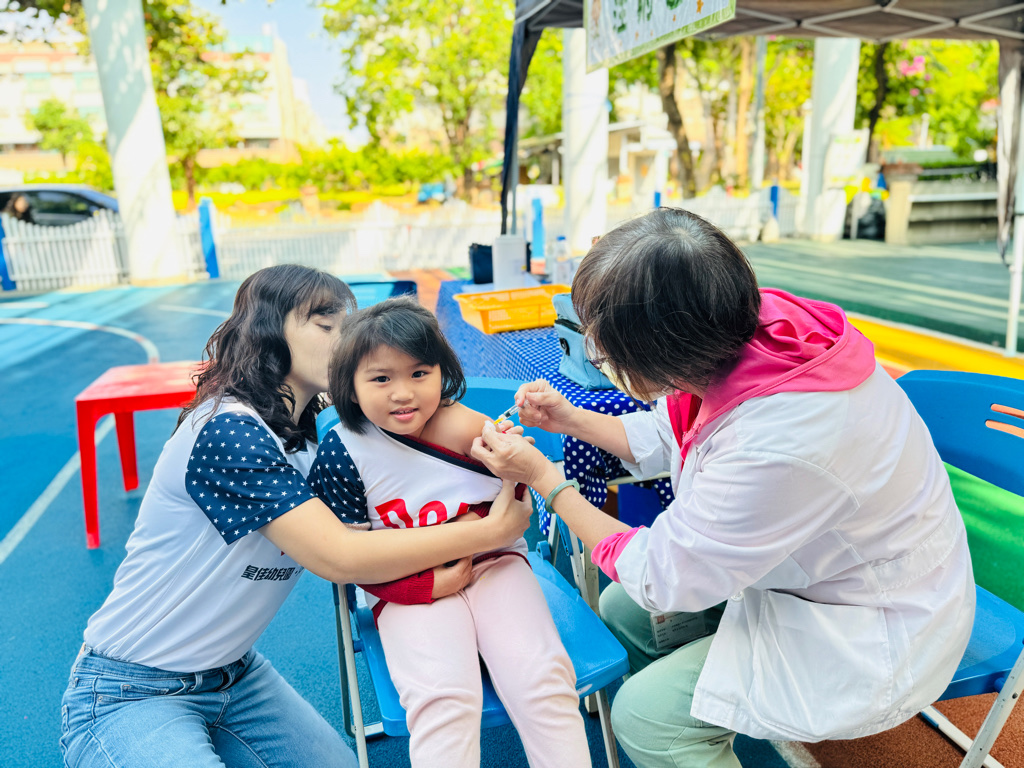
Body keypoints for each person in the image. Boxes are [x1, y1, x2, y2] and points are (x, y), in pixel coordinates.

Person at [469, 207, 975, 768]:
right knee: (620, 606)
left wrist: (546, 480)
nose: (599, 360)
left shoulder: (781, 439)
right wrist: (571, 419)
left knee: (644, 717)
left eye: (606, 352)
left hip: (871, 625)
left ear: (663, 347)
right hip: (809, 571)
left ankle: (676, 734)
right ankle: (697, 720)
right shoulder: (745, 330)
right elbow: (672, 432)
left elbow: (662, 576)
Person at [60, 265, 532, 768]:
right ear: (269, 334)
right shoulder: (228, 429)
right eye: (326, 325)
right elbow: (340, 555)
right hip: (132, 690)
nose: (347, 339)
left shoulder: (312, 440)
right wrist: (491, 531)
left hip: (235, 677)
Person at [308, 296, 591, 768]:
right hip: (404, 586)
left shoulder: (467, 427)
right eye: (381, 379)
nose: (403, 393)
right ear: (350, 388)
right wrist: (422, 585)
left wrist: (512, 458)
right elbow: (349, 558)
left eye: (419, 373)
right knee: (443, 700)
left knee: (542, 680)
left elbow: (516, 503)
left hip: (495, 564)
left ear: (442, 372)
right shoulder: (342, 453)